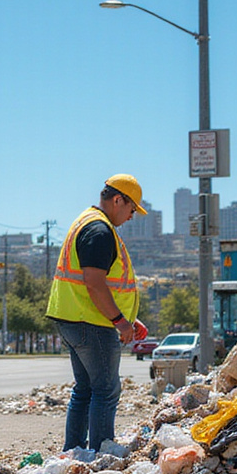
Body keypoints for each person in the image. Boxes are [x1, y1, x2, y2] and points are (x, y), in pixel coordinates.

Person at [46, 173, 145, 453]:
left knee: (86, 389)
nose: (131, 217)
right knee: (105, 389)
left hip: (75, 318)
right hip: (91, 323)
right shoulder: (99, 231)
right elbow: (94, 282)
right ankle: (101, 453)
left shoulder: (86, 221)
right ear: (118, 200)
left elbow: (95, 283)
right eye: (132, 209)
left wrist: (128, 318)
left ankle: (75, 452)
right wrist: (119, 321)